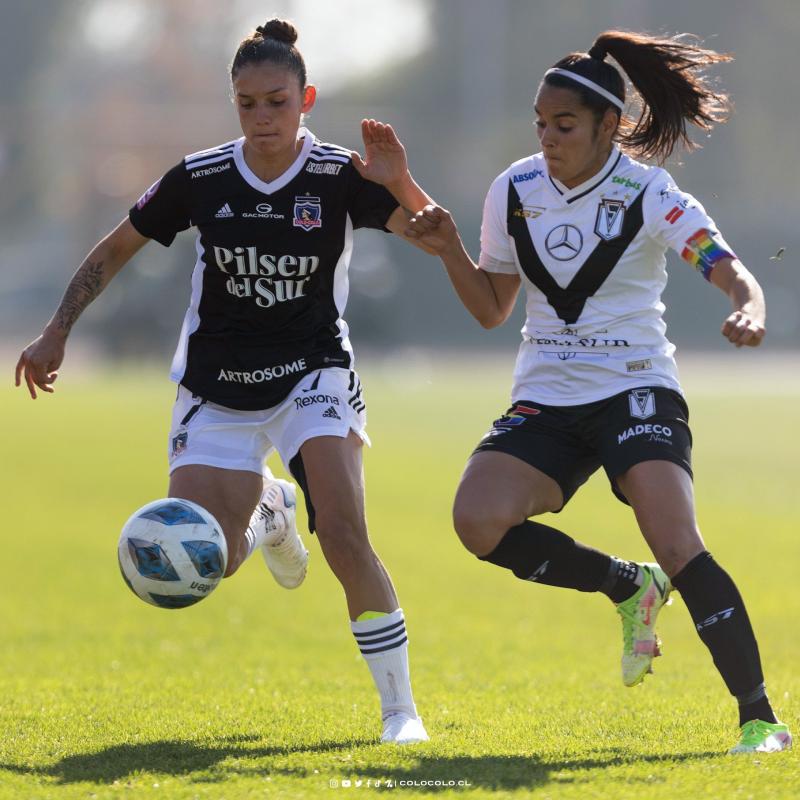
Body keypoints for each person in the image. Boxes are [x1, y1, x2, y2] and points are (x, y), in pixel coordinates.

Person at [15, 19, 433, 745]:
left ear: (306, 98)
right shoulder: (201, 178)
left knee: (342, 533)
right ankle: (267, 511)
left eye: (276, 101)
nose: (262, 118)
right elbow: (115, 250)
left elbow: (433, 230)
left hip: (312, 374)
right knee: (214, 557)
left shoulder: (338, 177)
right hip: (215, 389)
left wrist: (399, 178)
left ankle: (400, 712)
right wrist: (58, 331)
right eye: (247, 104)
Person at [405, 30, 792, 754]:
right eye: (541, 124)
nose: (548, 138)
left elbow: (725, 265)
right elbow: (493, 309)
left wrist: (751, 305)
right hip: (548, 395)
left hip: (635, 388)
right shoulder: (513, 189)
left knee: (678, 540)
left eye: (566, 125)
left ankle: (759, 718)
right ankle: (625, 585)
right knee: (477, 522)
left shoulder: (649, 191)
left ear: (609, 126)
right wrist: (450, 249)